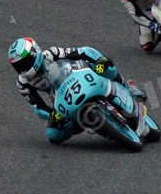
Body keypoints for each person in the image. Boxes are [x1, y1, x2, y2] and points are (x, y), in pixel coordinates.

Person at [8, 37, 146, 144]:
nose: (22, 69)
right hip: (63, 100)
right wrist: (52, 115)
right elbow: (38, 106)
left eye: (24, 63)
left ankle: (127, 87)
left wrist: (99, 60)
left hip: (82, 76)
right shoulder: (23, 83)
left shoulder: (52, 53)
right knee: (53, 135)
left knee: (105, 66)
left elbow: (83, 52)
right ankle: (86, 122)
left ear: (35, 53)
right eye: (18, 66)